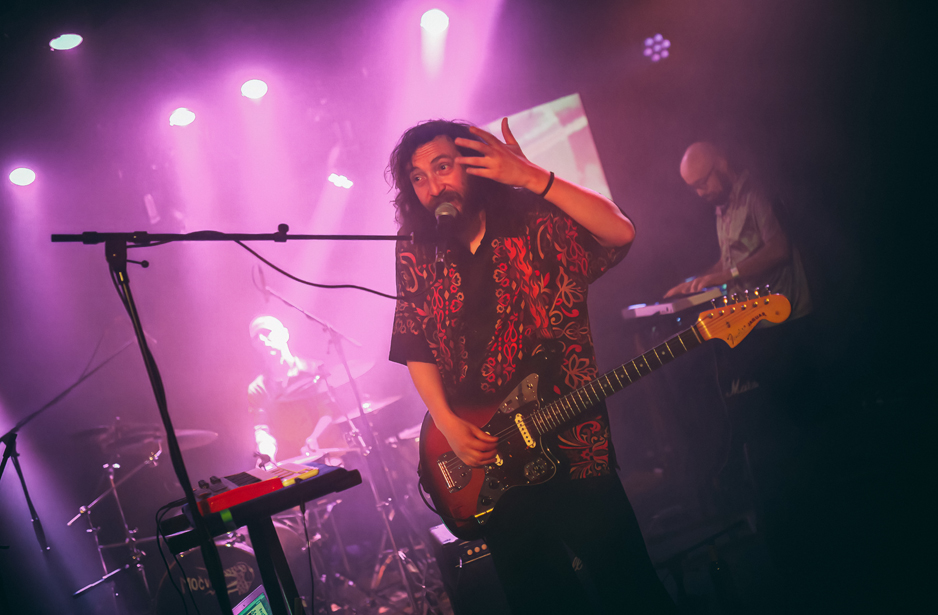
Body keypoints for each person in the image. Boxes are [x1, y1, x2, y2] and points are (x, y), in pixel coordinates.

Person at [388, 119, 676, 614]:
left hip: (575, 446)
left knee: (631, 591)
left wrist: (531, 176)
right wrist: (448, 423)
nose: (433, 186)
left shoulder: (533, 217)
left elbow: (619, 231)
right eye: (418, 177)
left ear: (474, 164)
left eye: (442, 167)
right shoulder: (416, 247)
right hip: (491, 463)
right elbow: (415, 341)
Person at [664, 142, 811, 319]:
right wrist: (694, 284)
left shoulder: (755, 194)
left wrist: (728, 275)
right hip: (750, 315)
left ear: (721, 164)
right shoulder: (722, 205)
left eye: (702, 183)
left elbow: (779, 248)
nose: (700, 193)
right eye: (694, 187)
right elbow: (727, 262)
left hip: (781, 313)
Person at [247, 315, 339, 462]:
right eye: (256, 338)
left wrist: (314, 438)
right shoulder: (258, 389)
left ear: (285, 334)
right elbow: (262, 428)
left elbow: (328, 411)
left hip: (329, 453)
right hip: (293, 461)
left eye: (267, 332)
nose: (262, 340)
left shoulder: (314, 370)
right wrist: (266, 454)